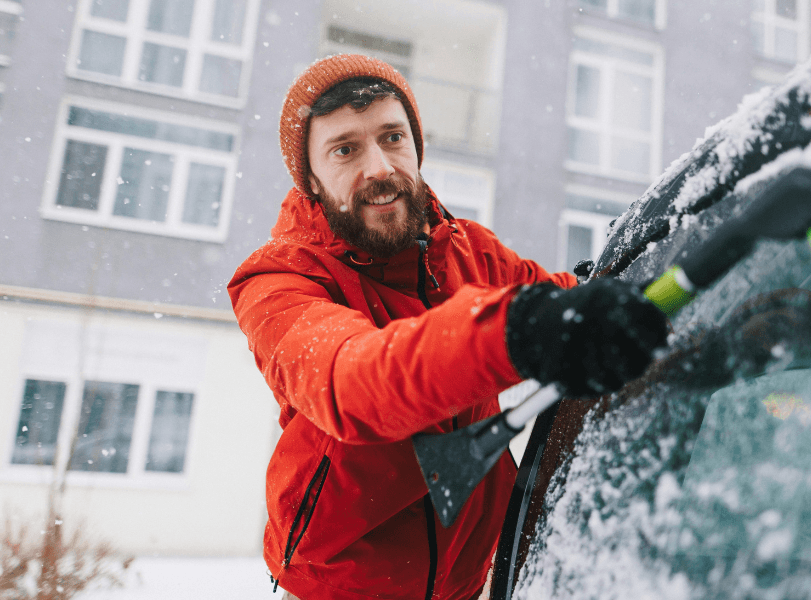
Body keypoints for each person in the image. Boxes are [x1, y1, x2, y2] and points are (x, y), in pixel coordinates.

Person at [228, 54, 669, 600]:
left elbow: (571, 307)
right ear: (311, 180)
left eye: (393, 138)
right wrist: (515, 332)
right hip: (339, 590)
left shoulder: (467, 251)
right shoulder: (279, 280)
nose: (380, 169)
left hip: (472, 582)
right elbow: (352, 379)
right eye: (345, 150)